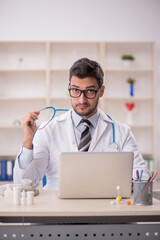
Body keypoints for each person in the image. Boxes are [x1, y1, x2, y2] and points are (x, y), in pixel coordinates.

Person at [14, 58, 151, 189]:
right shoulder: (48, 129)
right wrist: (27, 141)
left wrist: (123, 183)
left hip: (104, 207)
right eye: (75, 90)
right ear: (69, 89)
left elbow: (141, 176)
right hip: (58, 209)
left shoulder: (122, 131)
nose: (81, 100)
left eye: (90, 91)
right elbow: (26, 184)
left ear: (101, 91)